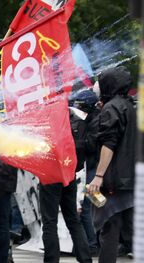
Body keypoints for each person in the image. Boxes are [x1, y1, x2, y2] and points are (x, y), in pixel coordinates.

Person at [87, 66, 136, 263]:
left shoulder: (111, 108)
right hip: (130, 179)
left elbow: (109, 144)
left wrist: (98, 176)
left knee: (109, 227)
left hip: (112, 180)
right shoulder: (129, 105)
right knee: (131, 229)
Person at [38, 101, 92, 262]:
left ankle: (51, 260)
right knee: (73, 220)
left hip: (50, 175)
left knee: (49, 221)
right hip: (69, 174)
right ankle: (85, 258)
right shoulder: (77, 120)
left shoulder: (47, 121)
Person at [70, 88, 101, 254]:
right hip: (90, 169)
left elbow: (91, 146)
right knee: (92, 206)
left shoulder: (95, 122)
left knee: (86, 207)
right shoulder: (90, 120)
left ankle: (91, 243)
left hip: (92, 170)